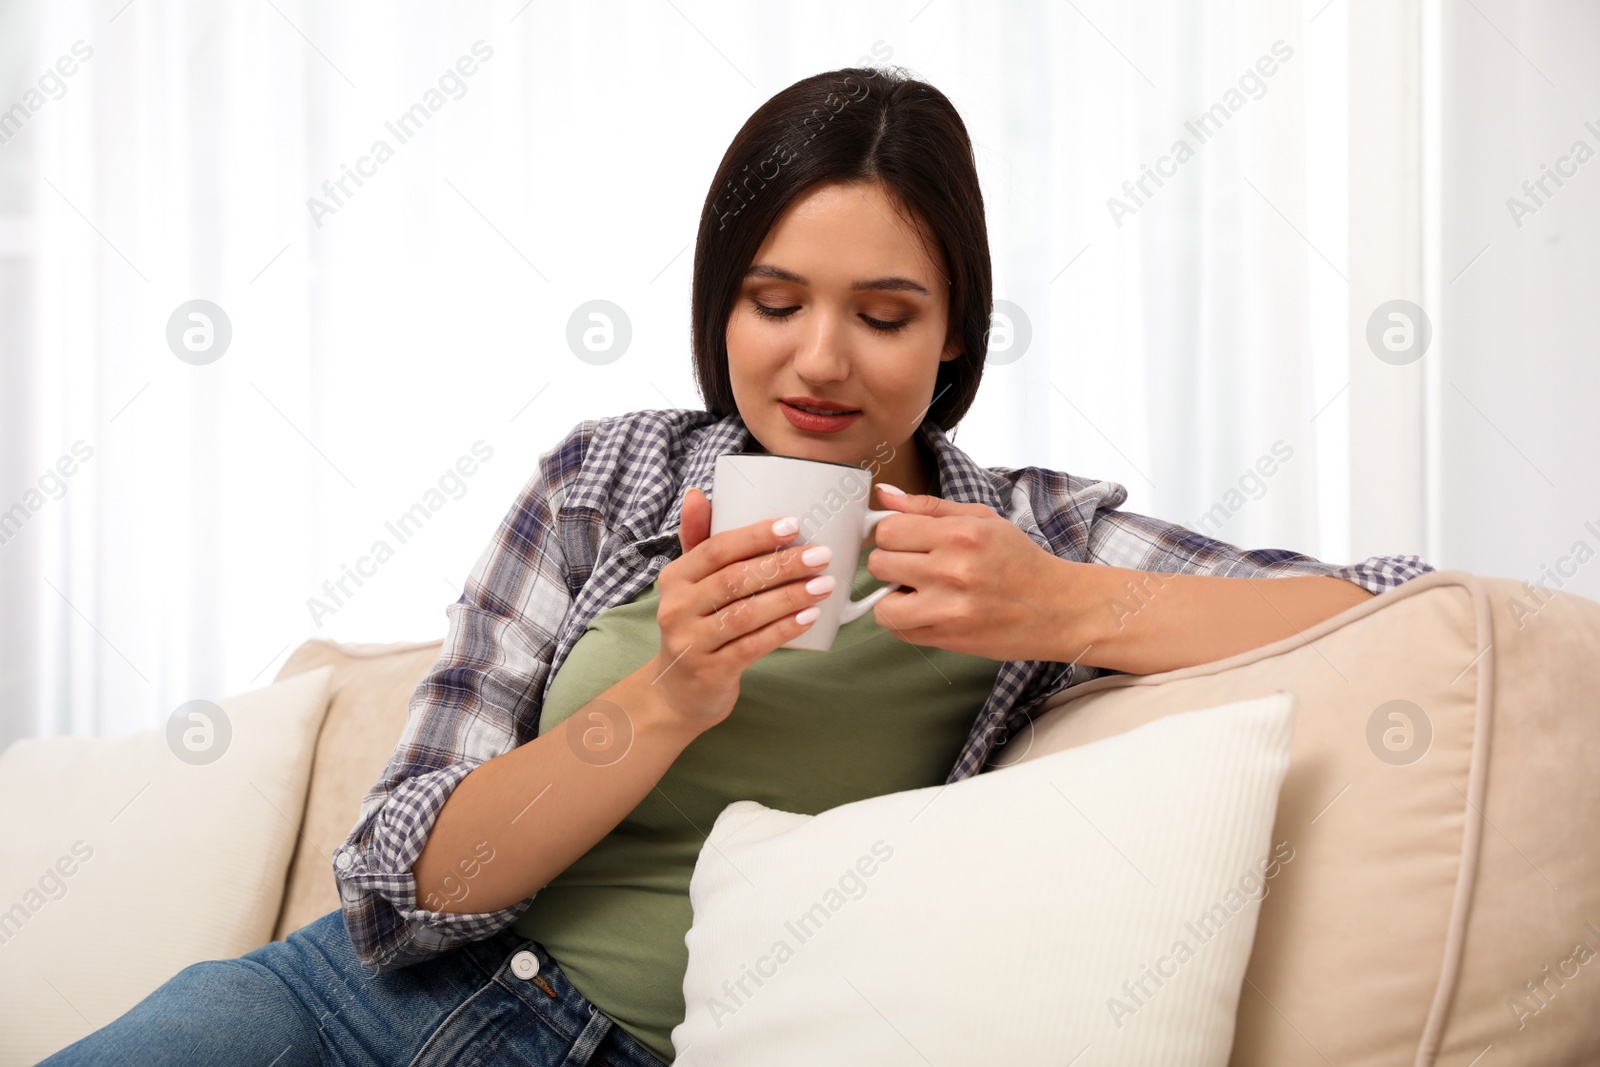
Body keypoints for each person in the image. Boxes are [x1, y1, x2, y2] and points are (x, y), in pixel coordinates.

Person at [41, 65, 1432, 1067]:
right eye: (775, 303)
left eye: (886, 314)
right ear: (724, 306)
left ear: (954, 336)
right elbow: (400, 889)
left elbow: (1391, 604)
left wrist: (1069, 604)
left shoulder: (1022, 535)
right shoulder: (607, 480)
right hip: (344, 1014)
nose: (820, 360)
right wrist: (665, 696)